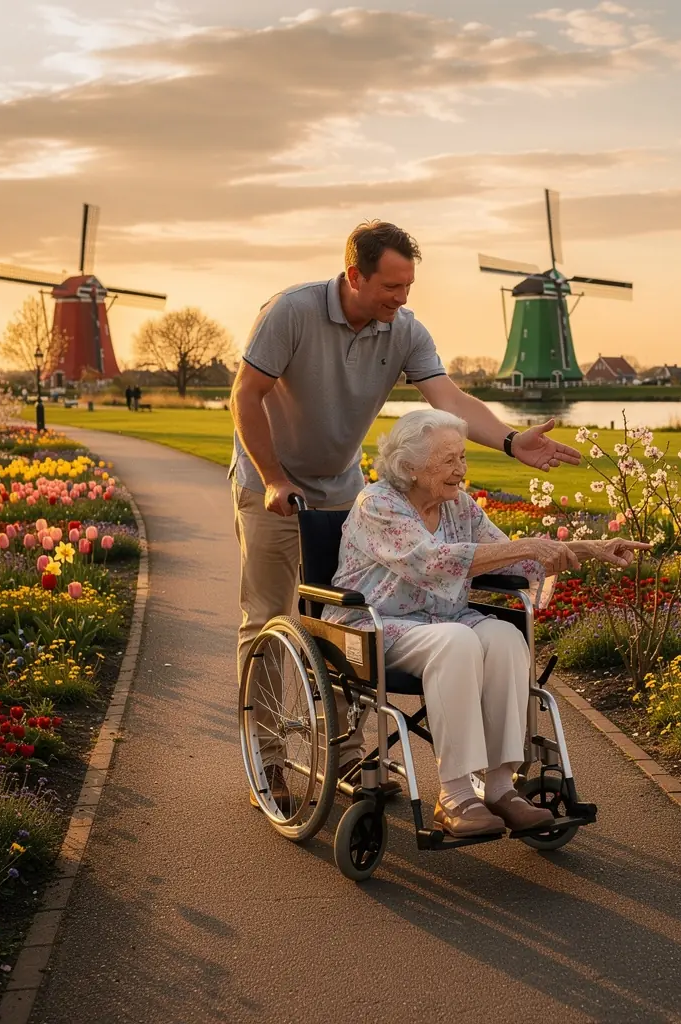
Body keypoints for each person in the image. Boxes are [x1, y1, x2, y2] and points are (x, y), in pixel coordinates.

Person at [230, 220, 582, 810]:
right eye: (391, 286)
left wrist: (511, 440)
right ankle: (268, 758)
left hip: (339, 481)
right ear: (354, 276)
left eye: (408, 285)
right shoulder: (290, 312)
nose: (402, 298)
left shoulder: (404, 330)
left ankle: (347, 752)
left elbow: (450, 399)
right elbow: (246, 394)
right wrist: (272, 478)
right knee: (268, 615)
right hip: (271, 478)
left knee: (337, 617)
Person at [324, 410, 646, 836]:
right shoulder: (378, 504)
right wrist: (530, 545)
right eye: (448, 460)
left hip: (445, 620)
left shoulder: (459, 506)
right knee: (457, 641)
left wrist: (595, 546)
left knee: (504, 637)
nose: (461, 469)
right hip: (376, 624)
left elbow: (516, 554)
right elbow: (431, 561)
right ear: (410, 467)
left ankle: (499, 787)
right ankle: (455, 796)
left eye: (462, 457)